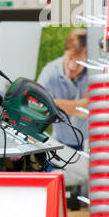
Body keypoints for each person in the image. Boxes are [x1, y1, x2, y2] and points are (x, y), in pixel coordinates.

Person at [36, 28, 89, 189]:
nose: (72, 66)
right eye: (70, 58)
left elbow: (85, 108)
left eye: (79, 62)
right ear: (66, 51)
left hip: (85, 146)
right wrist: (75, 105)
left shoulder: (92, 73)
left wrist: (53, 103)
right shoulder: (50, 72)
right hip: (59, 146)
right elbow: (37, 106)